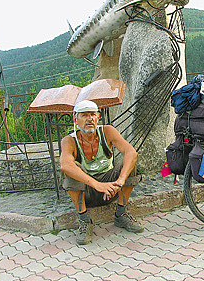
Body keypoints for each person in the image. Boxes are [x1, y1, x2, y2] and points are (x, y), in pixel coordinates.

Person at [60, 100, 143, 245]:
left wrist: (120, 180)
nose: (89, 119)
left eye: (92, 114)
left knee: (131, 163)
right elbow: (65, 164)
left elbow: (131, 152)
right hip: (86, 191)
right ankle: (84, 220)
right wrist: (96, 184)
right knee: (71, 169)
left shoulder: (107, 131)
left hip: (111, 188)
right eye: (84, 115)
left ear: (98, 117)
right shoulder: (69, 141)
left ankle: (121, 213)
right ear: (75, 119)